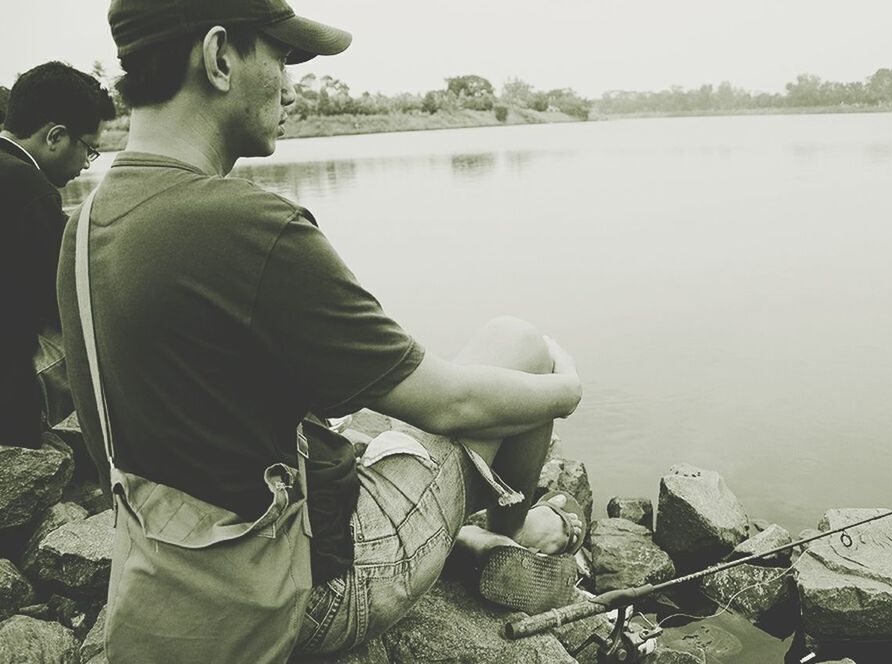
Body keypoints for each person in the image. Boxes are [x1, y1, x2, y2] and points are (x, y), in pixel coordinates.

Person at [56, 1, 583, 661]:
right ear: (220, 57)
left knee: (381, 428)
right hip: (311, 592)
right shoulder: (244, 223)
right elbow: (451, 401)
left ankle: (484, 532)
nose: (291, 83)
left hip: (168, 583)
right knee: (522, 346)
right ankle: (509, 533)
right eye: (281, 56)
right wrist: (568, 387)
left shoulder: (85, 225)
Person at [0, 62, 115, 448]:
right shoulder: (25, 185)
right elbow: (69, 298)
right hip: (10, 398)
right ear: (56, 136)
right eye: (89, 149)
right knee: (109, 318)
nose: (86, 164)